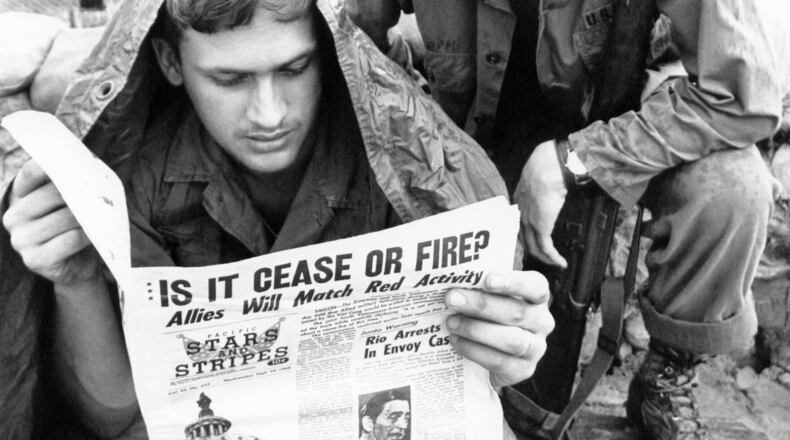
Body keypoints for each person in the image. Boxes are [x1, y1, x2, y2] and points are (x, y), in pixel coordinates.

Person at [0, 0, 554, 438]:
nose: (269, 114)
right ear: (171, 62)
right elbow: (113, 415)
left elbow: (476, 386)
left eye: (293, 68)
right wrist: (74, 285)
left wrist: (508, 351)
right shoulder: (134, 178)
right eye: (230, 80)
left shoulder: (402, 166)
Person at [348, 0, 790, 439]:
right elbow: (352, 36)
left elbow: (743, 98)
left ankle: (666, 373)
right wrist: (414, 110)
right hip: (476, 129)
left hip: (630, 121)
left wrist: (576, 160)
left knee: (734, 188)